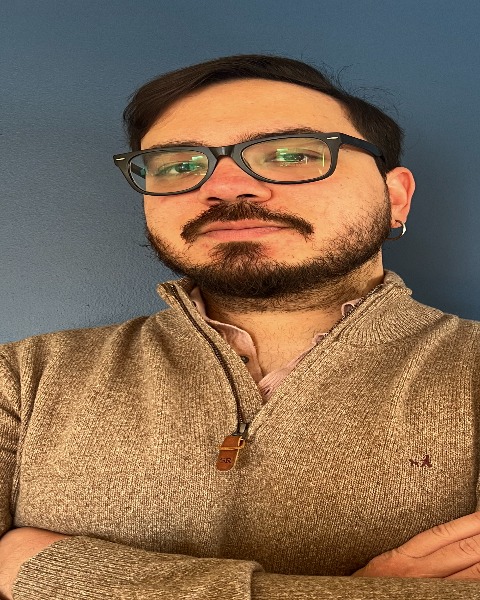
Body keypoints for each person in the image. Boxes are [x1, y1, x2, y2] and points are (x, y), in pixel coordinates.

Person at [1, 54, 480, 600]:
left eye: (292, 154)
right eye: (177, 165)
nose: (226, 187)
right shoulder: (23, 377)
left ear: (395, 197)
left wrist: (38, 571)